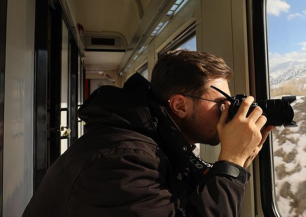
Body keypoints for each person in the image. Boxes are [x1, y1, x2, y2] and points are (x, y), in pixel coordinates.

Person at [23, 50, 274, 217]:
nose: (227, 111)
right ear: (179, 105)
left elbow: (184, 200)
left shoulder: (155, 142)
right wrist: (231, 162)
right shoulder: (120, 159)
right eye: (221, 103)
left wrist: (238, 161)